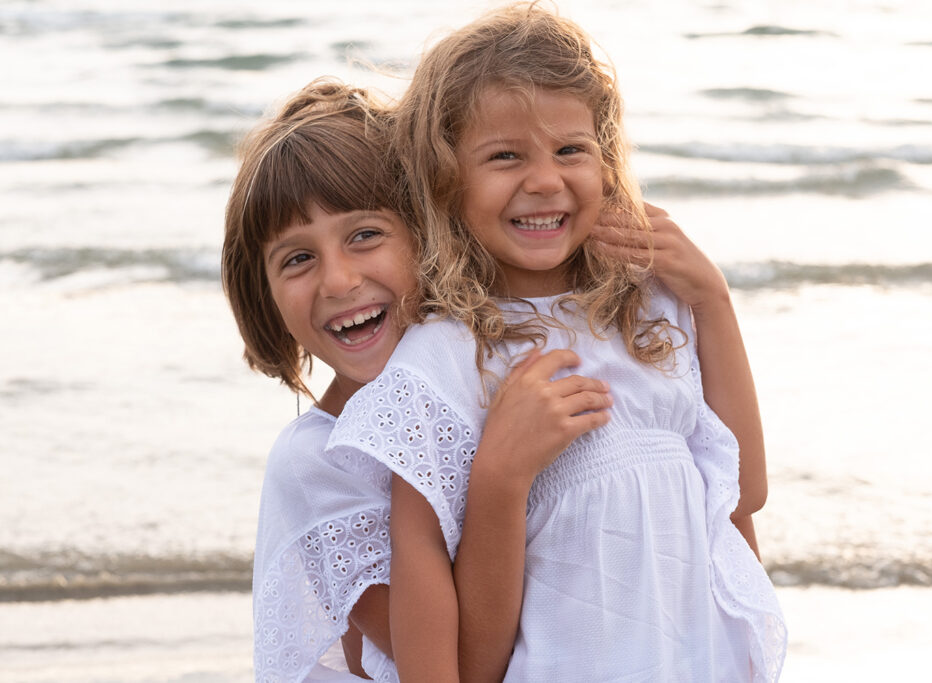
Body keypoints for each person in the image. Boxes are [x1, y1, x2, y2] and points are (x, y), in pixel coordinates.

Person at [326, 4, 786, 682]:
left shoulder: (651, 311)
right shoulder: (445, 359)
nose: (545, 180)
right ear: (446, 181)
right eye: (505, 155)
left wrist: (712, 300)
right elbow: (452, 650)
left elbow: (742, 495)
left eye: (571, 149)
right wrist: (499, 474)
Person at [221, 77, 613, 681]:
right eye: (297, 258)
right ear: (263, 294)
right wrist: (500, 476)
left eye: (365, 235)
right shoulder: (318, 462)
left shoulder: (512, 365)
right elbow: (452, 664)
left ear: (432, 234)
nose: (337, 280)